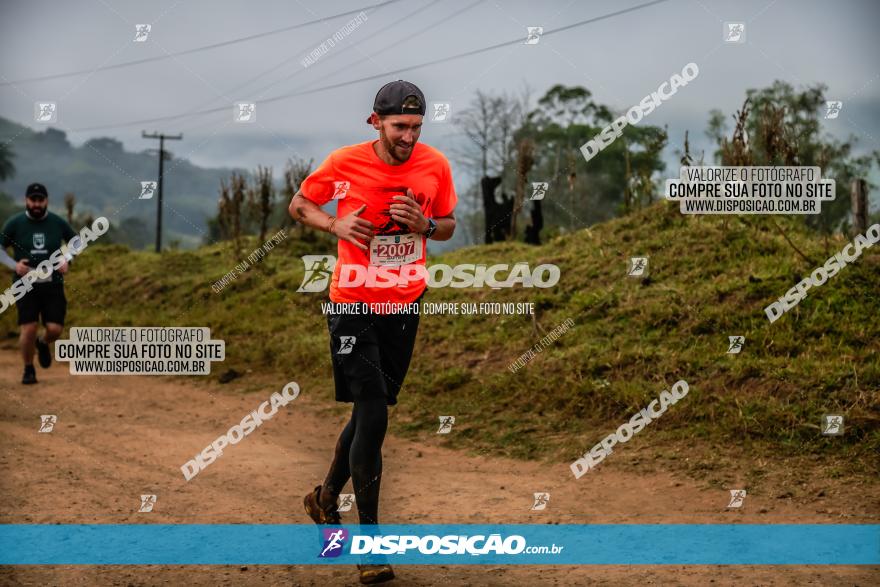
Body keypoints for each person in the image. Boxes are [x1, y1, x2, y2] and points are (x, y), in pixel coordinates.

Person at [289, 80, 457, 585]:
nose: (408, 136)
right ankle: (369, 544)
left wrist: (425, 226)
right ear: (376, 122)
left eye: (416, 127)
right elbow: (299, 204)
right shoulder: (343, 163)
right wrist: (333, 226)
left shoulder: (435, 165)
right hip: (353, 302)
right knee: (373, 410)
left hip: (404, 303)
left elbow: (449, 223)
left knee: (372, 409)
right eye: (399, 126)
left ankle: (323, 498)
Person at [0, 182, 76, 384]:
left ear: (46, 201)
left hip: (53, 283)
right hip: (25, 283)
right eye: (33, 200)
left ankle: (43, 343)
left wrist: (66, 259)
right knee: (29, 327)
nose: (36, 204)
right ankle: (28, 369)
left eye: (40, 200)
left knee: (55, 329)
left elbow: (76, 242)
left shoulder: (57, 222)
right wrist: (13, 265)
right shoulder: (15, 223)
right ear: (26, 200)